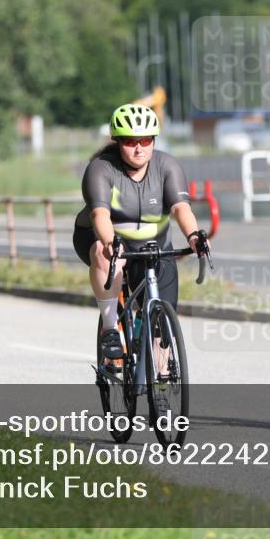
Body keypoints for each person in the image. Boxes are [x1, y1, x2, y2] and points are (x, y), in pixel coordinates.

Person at [74, 104, 209, 359]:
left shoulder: (167, 166)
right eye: (130, 142)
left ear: (154, 141)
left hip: (152, 245)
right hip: (101, 237)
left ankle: (160, 378)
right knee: (104, 253)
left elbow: (181, 208)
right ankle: (110, 327)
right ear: (117, 141)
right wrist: (110, 242)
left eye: (145, 141)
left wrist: (193, 235)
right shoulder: (101, 168)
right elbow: (99, 215)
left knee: (162, 330)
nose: (139, 148)